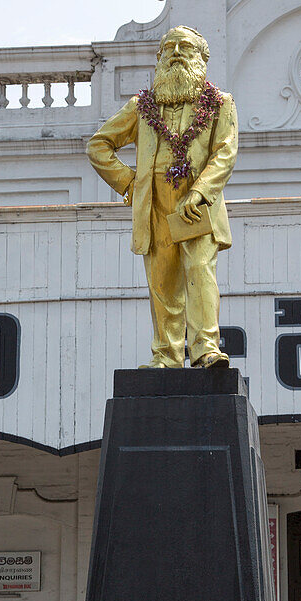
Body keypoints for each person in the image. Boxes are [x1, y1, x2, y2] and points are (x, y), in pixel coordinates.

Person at [87, 25, 239, 369]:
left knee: (200, 271)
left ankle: (205, 350)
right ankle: (167, 356)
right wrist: (130, 183)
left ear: (201, 58)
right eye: (168, 48)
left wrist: (199, 192)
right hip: (155, 203)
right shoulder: (142, 107)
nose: (174, 53)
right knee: (163, 281)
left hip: (196, 204)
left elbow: (225, 154)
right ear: (158, 59)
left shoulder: (220, 104)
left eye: (184, 47)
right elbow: (99, 145)